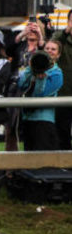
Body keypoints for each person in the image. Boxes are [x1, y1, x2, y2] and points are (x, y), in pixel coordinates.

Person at [17, 50, 63, 151]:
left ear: (58, 55)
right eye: (47, 48)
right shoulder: (32, 69)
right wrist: (30, 68)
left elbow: (40, 95)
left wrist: (40, 80)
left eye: (53, 49)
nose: (50, 51)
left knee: (44, 159)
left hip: (44, 120)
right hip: (28, 119)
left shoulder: (57, 73)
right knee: (29, 158)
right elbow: (21, 85)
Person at [50, 12, 72, 149]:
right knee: (62, 131)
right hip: (64, 94)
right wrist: (66, 31)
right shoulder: (62, 38)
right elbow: (53, 44)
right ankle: (64, 165)